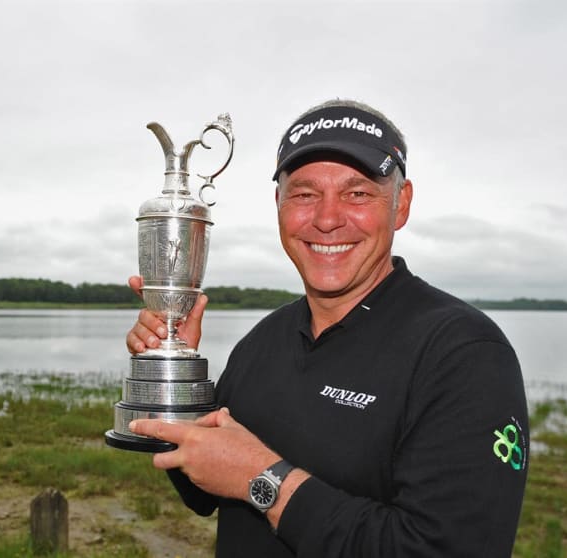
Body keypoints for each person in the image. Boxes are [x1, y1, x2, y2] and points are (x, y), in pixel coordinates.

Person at [125, 99, 529, 557]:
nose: (327, 218)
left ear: (401, 205)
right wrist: (176, 374)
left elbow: (446, 549)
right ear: (278, 205)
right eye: (304, 194)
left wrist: (266, 481)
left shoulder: (465, 353)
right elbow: (201, 491)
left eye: (357, 193)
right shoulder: (261, 342)